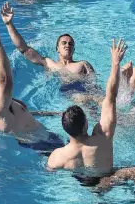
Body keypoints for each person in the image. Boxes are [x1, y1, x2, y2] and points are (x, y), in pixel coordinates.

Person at [0, 17, 64, 152]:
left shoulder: (0, 101)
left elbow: (21, 113)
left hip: (45, 136)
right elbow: (5, 80)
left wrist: (50, 113)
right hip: (41, 144)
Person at [47, 39, 127, 176]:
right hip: (108, 180)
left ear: (65, 129)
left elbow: (48, 172)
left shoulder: (57, 157)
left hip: (80, 184)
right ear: (86, 123)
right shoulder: (103, 137)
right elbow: (111, 97)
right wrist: (115, 64)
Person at [1, 2, 95, 79]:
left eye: (71, 44)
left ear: (74, 49)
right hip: (69, 94)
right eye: (64, 43)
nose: (68, 45)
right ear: (57, 49)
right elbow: (24, 49)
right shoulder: (49, 63)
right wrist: (9, 24)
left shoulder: (83, 64)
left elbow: (94, 84)